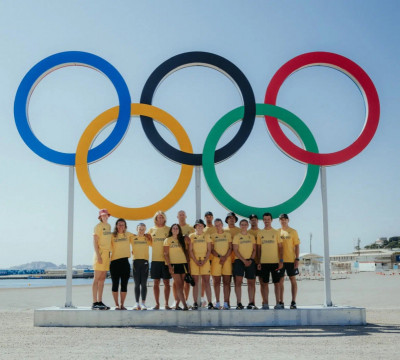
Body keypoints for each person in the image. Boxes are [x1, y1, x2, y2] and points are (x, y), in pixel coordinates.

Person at [256, 212, 283, 310]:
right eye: (265, 219)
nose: (267, 221)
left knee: (277, 283)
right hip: (264, 262)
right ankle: (266, 304)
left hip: (275, 262)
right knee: (264, 284)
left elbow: (280, 247)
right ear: (263, 221)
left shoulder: (276, 232)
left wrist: (281, 261)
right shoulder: (260, 233)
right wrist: (258, 262)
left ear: (271, 220)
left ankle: (278, 303)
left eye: (268, 219)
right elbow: (258, 249)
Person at [189, 219, 214, 310]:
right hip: (194, 261)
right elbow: (190, 250)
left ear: (203, 227)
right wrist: (195, 260)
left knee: (206, 282)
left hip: (205, 261)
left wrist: (204, 260)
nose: (199, 227)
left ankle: (210, 302)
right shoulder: (192, 236)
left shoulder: (206, 236)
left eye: (201, 225)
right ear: (195, 227)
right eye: (198, 225)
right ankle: (195, 302)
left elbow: (209, 250)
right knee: (195, 282)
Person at [148, 211, 171, 310]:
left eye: (162, 217)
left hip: (166, 260)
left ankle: (166, 304)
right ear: (156, 218)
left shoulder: (169, 229)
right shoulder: (151, 230)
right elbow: (148, 242)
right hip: (155, 259)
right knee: (156, 282)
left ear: (164, 218)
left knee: (166, 282)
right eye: (158, 217)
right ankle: (157, 304)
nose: (160, 218)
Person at [164, 223, 190, 310]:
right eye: (174, 228)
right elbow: (166, 254)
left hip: (183, 264)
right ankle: (185, 305)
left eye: (177, 228)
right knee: (178, 285)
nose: (175, 230)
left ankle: (177, 305)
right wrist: (169, 266)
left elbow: (187, 251)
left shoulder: (182, 239)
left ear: (179, 230)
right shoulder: (167, 240)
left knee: (182, 285)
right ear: (171, 230)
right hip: (174, 265)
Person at [277, 213, 300, 309]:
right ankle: (281, 301)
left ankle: (293, 301)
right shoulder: (277, 232)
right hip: (280, 261)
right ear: (279, 221)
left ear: (288, 220)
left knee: (292, 280)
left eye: (285, 219)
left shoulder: (293, 231)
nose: (283, 221)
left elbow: (297, 246)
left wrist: (297, 258)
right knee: (280, 281)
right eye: (281, 219)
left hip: (291, 260)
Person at [232, 219, 256, 310]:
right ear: (240, 225)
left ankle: (251, 303)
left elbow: (254, 249)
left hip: (250, 261)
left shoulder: (251, 236)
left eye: (245, 224)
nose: (244, 226)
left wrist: (251, 260)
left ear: (248, 225)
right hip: (239, 261)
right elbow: (235, 250)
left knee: (251, 283)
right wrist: (243, 260)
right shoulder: (237, 236)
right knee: (238, 282)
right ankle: (239, 303)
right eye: (242, 224)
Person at [110, 218, 133, 310]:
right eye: (119, 224)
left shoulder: (128, 234)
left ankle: (122, 304)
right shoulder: (112, 235)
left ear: (125, 226)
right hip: (114, 262)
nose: (121, 226)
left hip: (125, 262)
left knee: (124, 284)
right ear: (116, 226)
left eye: (122, 224)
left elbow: (139, 237)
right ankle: (116, 304)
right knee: (115, 284)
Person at [92, 209, 112, 310]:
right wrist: (98, 256)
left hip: (107, 254)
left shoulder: (108, 226)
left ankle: (100, 301)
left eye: (106, 215)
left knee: (102, 279)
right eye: (103, 216)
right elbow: (95, 242)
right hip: (99, 253)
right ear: (100, 217)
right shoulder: (98, 227)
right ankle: (94, 302)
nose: (105, 217)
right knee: (96, 278)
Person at [210, 218, 232, 310]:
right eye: (216, 225)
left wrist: (225, 257)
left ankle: (226, 303)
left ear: (222, 224)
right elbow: (211, 249)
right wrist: (220, 257)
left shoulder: (227, 234)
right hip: (216, 261)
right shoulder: (213, 236)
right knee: (216, 282)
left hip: (227, 261)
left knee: (227, 282)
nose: (218, 226)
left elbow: (230, 248)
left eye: (219, 224)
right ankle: (218, 302)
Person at [131, 223, 152, 310]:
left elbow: (155, 244)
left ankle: (143, 303)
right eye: (140, 229)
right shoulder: (132, 238)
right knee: (136, 284)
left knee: (143, 284)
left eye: (143, 229)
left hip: (145, 263)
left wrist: (150, 236)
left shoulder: (147, 238)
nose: (141, 231)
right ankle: (136, 303)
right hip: (135, 262)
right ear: (137, 229)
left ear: (145, 230)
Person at [176, 210, 194, 306]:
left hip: (187, 256)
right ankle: (176, 300)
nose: (182, 216)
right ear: (177, 217)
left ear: (186, 216)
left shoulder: (190, 228)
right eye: (180, 215)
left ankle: (186, 300)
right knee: (176, 282)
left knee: (187, 279)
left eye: (183, 214)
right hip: (176, 256)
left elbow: (194, 242)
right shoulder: (175, 228)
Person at [248, 214, 262, 307]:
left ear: (257, 221)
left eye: (255, 219)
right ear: (249, 221)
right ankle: (252, 302)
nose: (253, 221)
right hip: (251, 261)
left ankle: (264, 303)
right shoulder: (247, 233)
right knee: (251, 283)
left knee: (263, 283)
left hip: (261, 260)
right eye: (252, 220)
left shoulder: (262, 232)